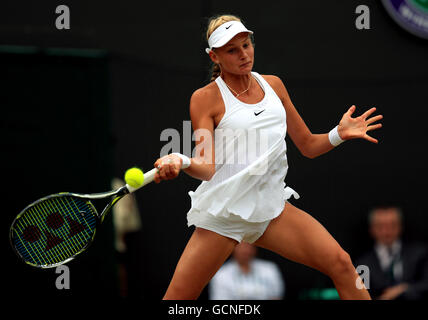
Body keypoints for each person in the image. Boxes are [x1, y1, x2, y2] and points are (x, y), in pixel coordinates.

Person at [153, 14, 382, 300]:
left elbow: (309, 145)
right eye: (232, 50)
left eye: (246, 45)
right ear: (214, 56)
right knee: (178, 300)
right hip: (226, 214)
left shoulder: (274, 85)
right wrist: (181, 160)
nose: (243, 55)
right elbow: (207, 168)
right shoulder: (204, 98)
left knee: (342, 263)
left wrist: (338, 133)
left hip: (270, 208)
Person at [356, 206, 428, 300]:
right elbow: (359, 293)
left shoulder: (420, 255)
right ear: (372, 229)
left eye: (392, 225)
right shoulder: (362, 263)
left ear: (400, 227)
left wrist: (405, 289)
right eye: (380, 226)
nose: (387, 231)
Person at [209, 242, 285, 300]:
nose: (245, 250)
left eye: (249, 246)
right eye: (241, 246)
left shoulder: (269, 269)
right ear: (232, 248)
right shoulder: (221, 274)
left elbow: (276, 296)